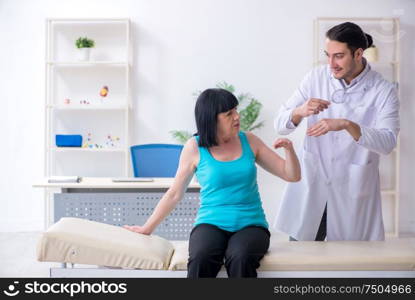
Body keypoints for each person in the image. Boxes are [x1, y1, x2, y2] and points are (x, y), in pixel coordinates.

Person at [124, 88, 301, 278]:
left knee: (239, 257)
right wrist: (146, 228)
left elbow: (291, 175)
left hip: (251, 225)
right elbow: (174, 194)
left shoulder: (249, 140)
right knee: (202, 257)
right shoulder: (194, 147)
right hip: (210, 223)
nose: (236, 116)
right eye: (229, 113)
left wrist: (289, 150)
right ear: (212, 119)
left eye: (235, 110)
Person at [273, 22, 400, 241]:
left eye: (339, 56)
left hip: (352, 186)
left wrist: (347, 125)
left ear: (358, 53)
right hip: (314, 181)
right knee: (302, 256)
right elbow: (280, 124)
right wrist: (300, 111)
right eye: (328, 55)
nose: (331, 64)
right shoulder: (316, 78)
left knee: (348, 262)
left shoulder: (383, 90)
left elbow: (388, 142)